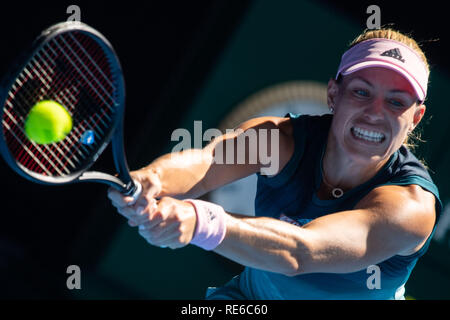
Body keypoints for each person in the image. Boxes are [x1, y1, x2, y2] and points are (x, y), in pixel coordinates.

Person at [108, 28, 442, 300]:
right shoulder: (281, 139)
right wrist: (153, 178)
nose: (374, 112)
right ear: (333, 94)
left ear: (416, 117)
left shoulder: (411, 209)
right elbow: (207, 162)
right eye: (361, 92)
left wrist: (200, 220)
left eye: (396, 102)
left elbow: (303, 251)